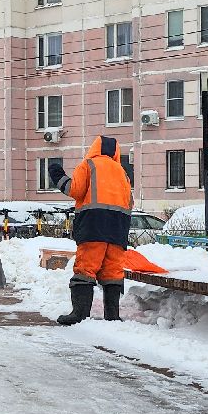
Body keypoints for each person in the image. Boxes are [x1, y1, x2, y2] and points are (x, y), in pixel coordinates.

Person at [50, 136, 132, 324]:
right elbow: (130, 202)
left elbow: (75, 190)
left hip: (94, 224)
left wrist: (56, 173)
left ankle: (80, 314)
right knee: (113, 270)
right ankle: (112, 316)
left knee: (86, 268)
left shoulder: (89, 165)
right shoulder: (122, 172)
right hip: (119, 228)